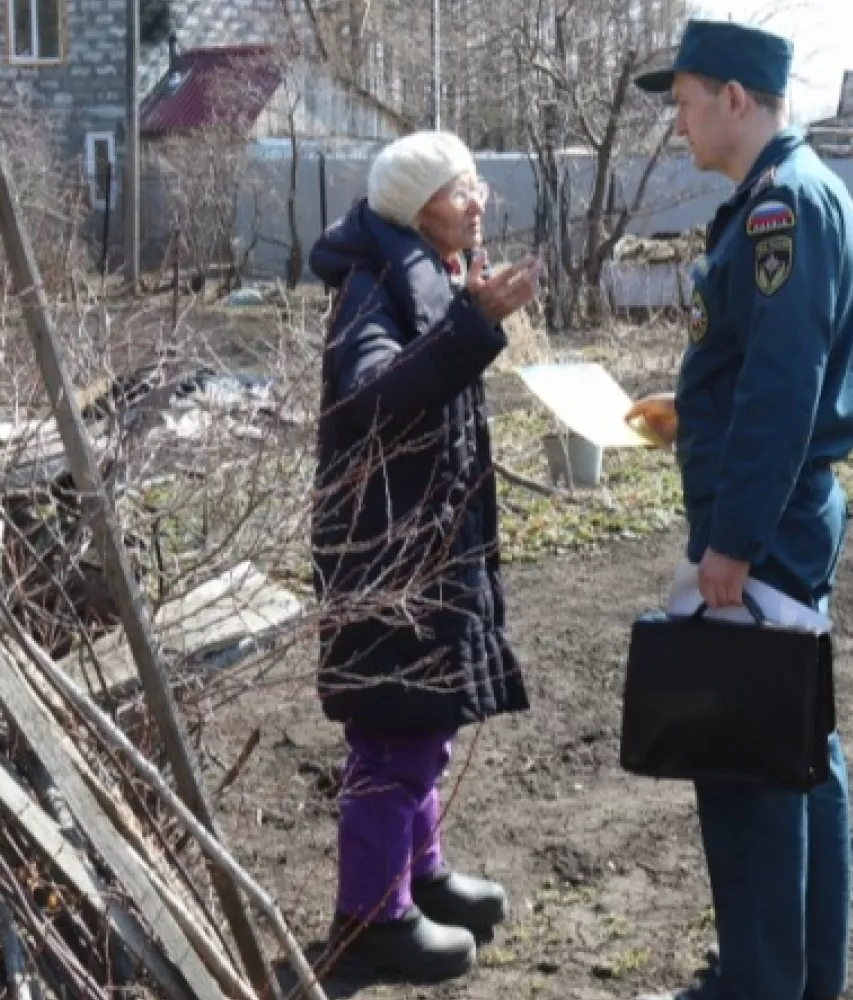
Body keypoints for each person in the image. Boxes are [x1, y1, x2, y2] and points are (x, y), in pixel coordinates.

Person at [622, 19, 853, 1000]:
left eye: (684, 101)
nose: (676, 121)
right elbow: (766, 366)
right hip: (780, 513)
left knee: (748, 751)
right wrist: (693, 412)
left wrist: (732, 541)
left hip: (764, 524)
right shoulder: (791, 196)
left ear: (736, 99)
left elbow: (785, 383)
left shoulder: (781, 208)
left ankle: (761, 982)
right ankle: (798, 977)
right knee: (797, 738)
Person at [308, 131, 541, 983]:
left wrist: (470, 315)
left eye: (478, 184)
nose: (477, 202)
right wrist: (473, 327)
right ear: (415, 207)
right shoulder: (372, 289)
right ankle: (371, 918)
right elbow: (373, 400)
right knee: (394, 734)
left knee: (423, 723)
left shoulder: (431, 273)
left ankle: (420, 876)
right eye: (458, 190)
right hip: (386, 555)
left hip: (420, 549)